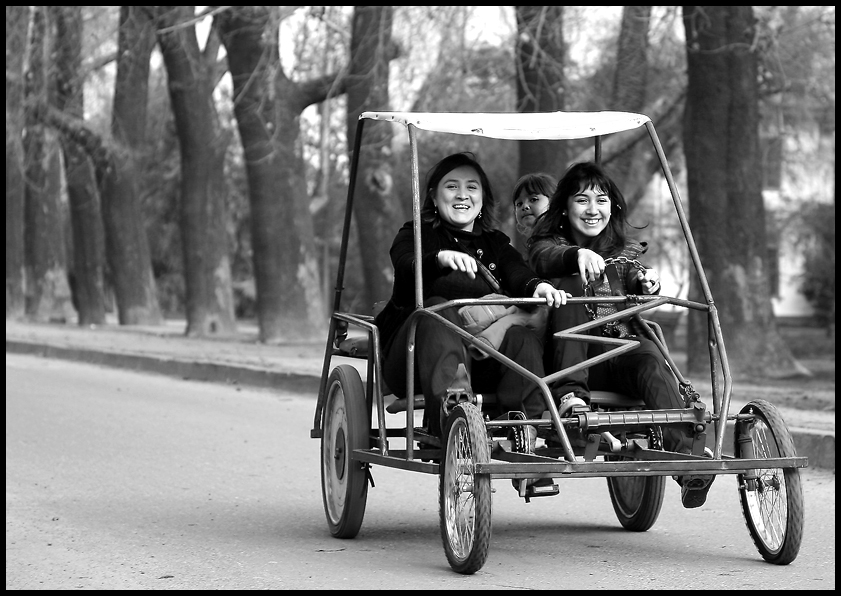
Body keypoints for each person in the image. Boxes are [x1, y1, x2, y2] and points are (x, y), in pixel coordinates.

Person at [528, 161, 715, 509]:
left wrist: (646, 282)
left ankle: (687, 462)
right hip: (570, 359)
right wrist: (576, 255)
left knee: (647, 353)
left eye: (601, 200)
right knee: (570, 286)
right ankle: (572, 398)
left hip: (619, 353)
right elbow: (545, 259)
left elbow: (635, 275)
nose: (592, 209)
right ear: (566, 208)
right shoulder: (546, 245)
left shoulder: (624, 250)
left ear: (612, 206)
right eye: (582, 200)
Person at [375, 152, 568, 454]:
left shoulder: (496, 243)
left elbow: (518, 273)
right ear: (434, 197)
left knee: (521, 335)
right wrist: (438, 259)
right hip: (413, 359)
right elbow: (404, 263)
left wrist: (538, 286)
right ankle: (451, 417)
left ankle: (523, 432)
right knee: (437, 308)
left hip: (480, 358)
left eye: (472, 187)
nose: (462, 195)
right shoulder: (415, 233)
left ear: (483, 198)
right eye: (452, 186)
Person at [512, 172, 557, 239]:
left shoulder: (559, 240)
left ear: (553, 202)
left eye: (533, 199)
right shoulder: (535, 240)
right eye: (519, 204)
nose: (524, 206)